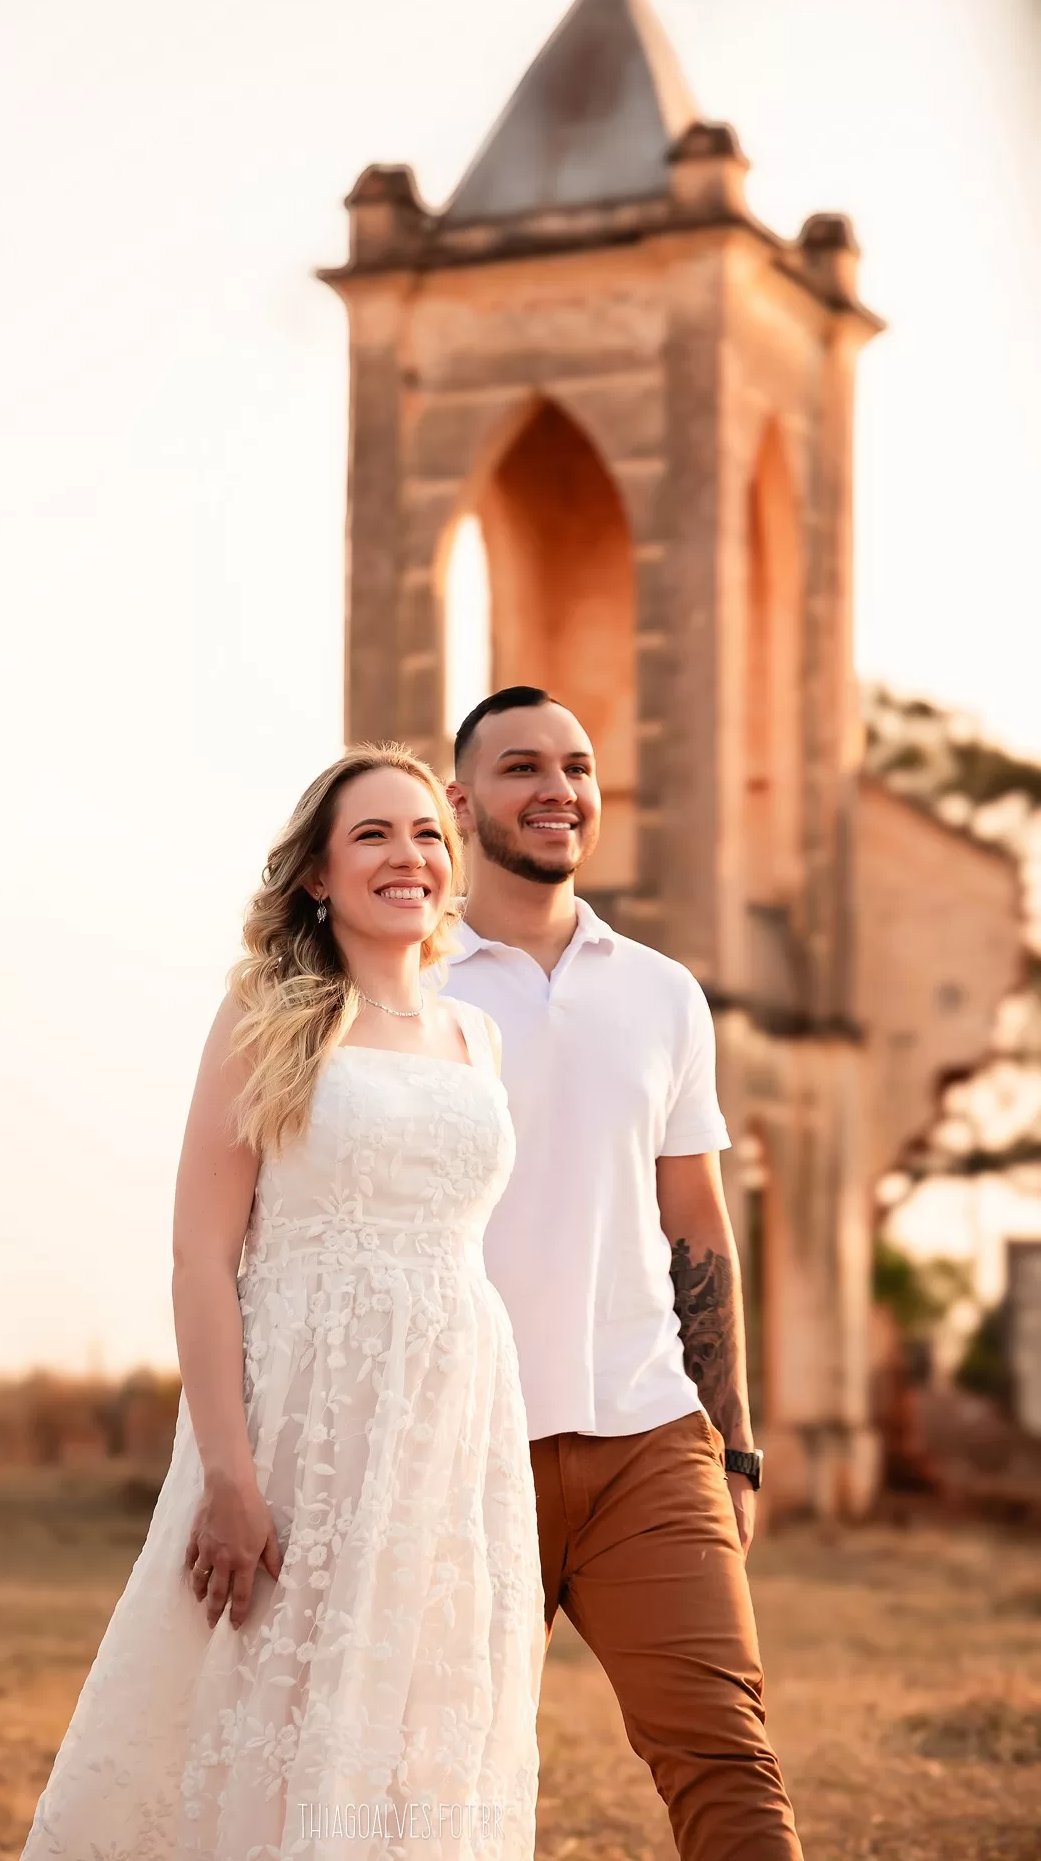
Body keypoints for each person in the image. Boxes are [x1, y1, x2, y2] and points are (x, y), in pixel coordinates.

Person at [22, 742, 545, 1861]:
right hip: (298, 1423)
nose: (407, 856)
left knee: (415, 1716)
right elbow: (200, 1256)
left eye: (427, 834)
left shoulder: (478, 1038)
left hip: (448, 1430)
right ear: (317, 873)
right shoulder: (267, 1015)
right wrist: (229, 1475)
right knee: (262, 1700)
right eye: (372, 835)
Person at [440, 686, 802, 1861]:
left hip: (647, 1439)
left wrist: (732, 1446)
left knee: (725, 1757)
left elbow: (694, 1221)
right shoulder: (401, 985)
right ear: (457, 803)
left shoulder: (660, 991)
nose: (558, 789)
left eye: (577, 766)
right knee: (433, 1778)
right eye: (520, 767)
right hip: (454, 1447)